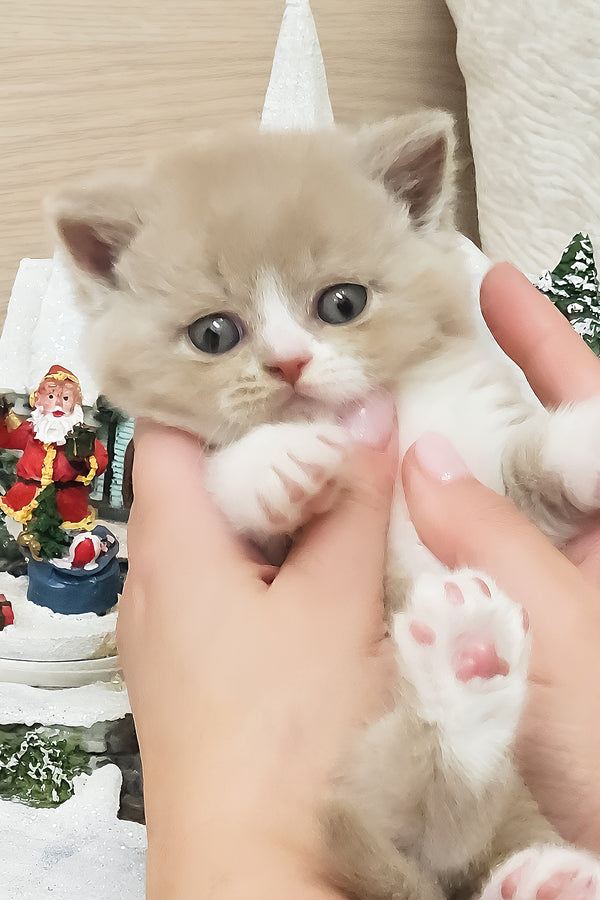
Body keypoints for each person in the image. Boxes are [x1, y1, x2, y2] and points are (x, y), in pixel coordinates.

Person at [119, 264, 600, 899]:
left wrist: (566, 453)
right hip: (387, 740)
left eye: (340, 304)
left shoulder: (449, 379)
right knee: (398, 764)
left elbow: (523, 492)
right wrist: (248, 479)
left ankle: (456, 788)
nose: (290, 355)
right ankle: (449, 782)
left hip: (486, 759)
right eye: (217, 335)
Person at [0, 364, 108, 529]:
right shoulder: (32, 431)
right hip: (28, 500)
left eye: (65, 399)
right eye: (51, 397)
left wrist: (85, 458)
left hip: (66, 506)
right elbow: (7, 438)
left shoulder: (81, 435)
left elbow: (100, 460)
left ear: (75, 404)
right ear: (38, 400)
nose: (58, 404)